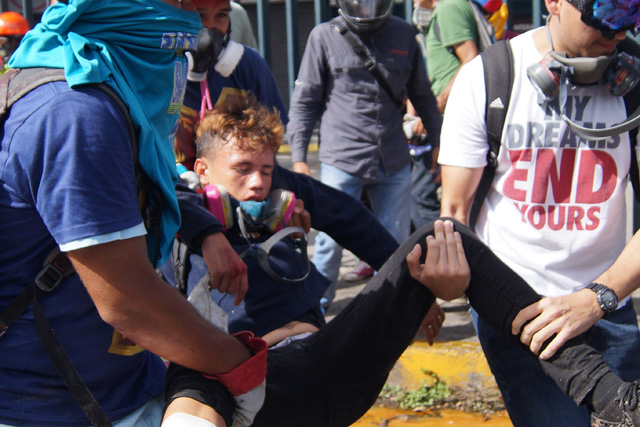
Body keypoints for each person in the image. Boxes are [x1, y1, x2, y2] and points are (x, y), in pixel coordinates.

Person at [0, 0, 266, 426]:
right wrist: (242, 365)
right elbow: (131, 304)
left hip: (122, 384)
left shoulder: (103, 86)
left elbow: (138, 187)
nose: (189, 16)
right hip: (59, 408)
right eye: (180, 3)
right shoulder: (76, 110)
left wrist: (207, 231)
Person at [437, 0, 640, 423]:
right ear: (553, 2)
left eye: (632, 13)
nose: (617, 31)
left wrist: (598, 298)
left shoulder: (635, 80)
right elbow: (454, 210)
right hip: (520, 312)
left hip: (609, 303)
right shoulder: (488, 77)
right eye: (604, 10)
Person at [287, 0, 442, 305]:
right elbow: (305, 102)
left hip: (393, 158)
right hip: (342, 157)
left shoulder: (404, 35)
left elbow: (423, 95)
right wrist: (298, 158)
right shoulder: (323, 36)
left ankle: (390, 310)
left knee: (396, 246)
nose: (366, 9)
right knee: (330, 243)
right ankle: (317, 310)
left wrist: (439, 143)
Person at [174, 0, 287, 172]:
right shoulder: (158, 68)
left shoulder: (249, 64)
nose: (209, 26)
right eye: (199, 15)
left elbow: (273, 135)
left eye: (221, 15)